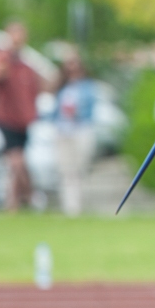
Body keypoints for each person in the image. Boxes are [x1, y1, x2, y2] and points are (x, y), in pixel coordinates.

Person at [0, 21, 43, 211]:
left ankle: (13, 203)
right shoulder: (3, 59)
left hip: (24, 122)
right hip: (7, 119)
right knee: (17, 162)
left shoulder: (25, 64)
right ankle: (30, 197)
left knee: (17, 165)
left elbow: (34, 90)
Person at [53, 54, 98, 216]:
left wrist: (76, 111)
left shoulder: (88, 87)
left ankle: (78, 205)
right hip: (63, 131)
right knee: (66, 170)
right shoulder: (62, 87)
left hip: (81, 130)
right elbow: (55, 111)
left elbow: (90, 110)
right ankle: (70, 208)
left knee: (79, 169)